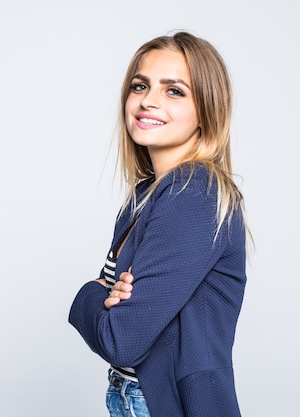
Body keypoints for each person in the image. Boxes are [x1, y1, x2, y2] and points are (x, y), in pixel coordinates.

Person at [68, 31, 250, 417]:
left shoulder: (196, 193)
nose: (148, 100)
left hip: (167, 404)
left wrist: (87, 295)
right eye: (140, 85)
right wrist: (109, 298)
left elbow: (122, 338)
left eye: (174, 91)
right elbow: (119, 314)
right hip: (129, 392)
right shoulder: (145, 195)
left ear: (208, 110)